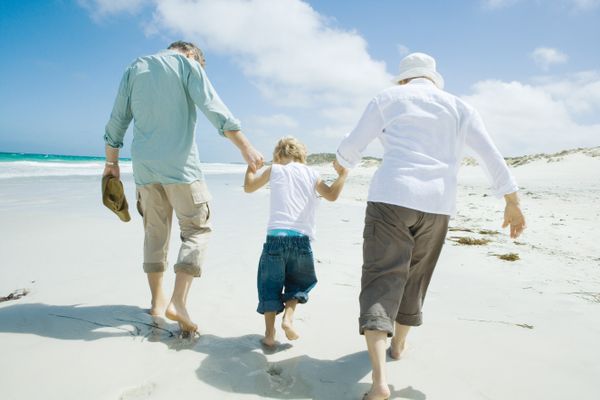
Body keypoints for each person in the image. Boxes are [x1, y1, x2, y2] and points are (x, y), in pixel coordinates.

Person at [336, 53, 526, 400]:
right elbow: (490, 154)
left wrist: (341, 167)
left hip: (391, 197)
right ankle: (399, 348)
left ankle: (379, 384)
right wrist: (511, 201)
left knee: (381, 279)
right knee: (416, 278)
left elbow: (351, 147)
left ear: (404, 79)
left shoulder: (387, 98)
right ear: (434, 79)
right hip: (438, 205)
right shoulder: (460, 107)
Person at [102, 41, 264, 334]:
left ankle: (156, 303)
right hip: (181, 167)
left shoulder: (134, 67)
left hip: (144, 168)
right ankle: (178, 302)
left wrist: (111, 164)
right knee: (197, 231)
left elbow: (117, 121)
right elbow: (215, 109)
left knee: (155, 233)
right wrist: (246, 148)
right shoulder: (188, 65)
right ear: (192, 55)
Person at [244, 136, 348, 347]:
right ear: (301, 154)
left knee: (269, 286)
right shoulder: (312, 174)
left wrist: (251, 168)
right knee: (298, 283)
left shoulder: (275, 169)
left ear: (278, 156)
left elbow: (249, 187)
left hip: (275, 239)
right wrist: (343, 174)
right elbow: (331, 195)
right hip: (301, 241)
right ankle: (289, 319)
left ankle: (270, 335)